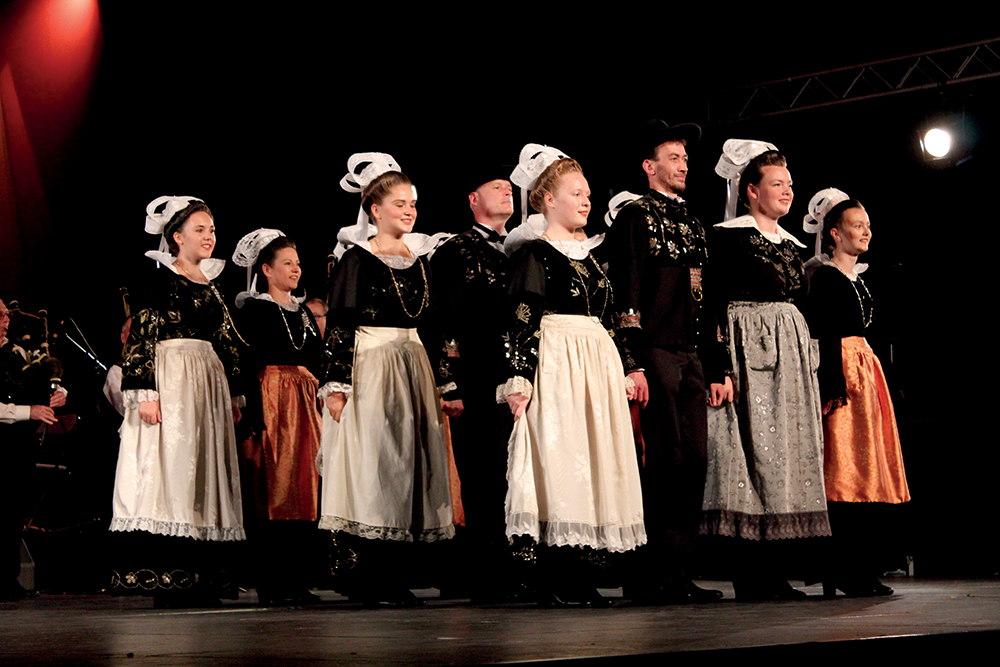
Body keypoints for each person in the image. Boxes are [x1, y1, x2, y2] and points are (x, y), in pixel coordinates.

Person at [498, 145, 646, 606]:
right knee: (561, 461)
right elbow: (521, 320)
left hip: (595, 363)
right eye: (575, 193)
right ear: (547, 200)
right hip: (558, 362)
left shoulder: (590, 256)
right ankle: (556, 573)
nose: (586, 201)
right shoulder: (534, 254)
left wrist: (626, 366)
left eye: (587, 194)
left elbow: (610, 317)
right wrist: (519, 378)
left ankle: (583, 569)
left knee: (593, 460)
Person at [318, 153, 461, 607]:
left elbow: (435, 327)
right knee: (373, 463)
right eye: (399, 203)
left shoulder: (419, 261)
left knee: (408, 465)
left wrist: (446, 385)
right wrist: (336, 384)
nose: (409, 210)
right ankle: (367, 575)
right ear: (375, 210)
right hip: (372, 365)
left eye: (413, 203)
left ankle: (397, 574)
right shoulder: (356, 259)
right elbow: (340, 322)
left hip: (412, 364)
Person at [604, 120, 729, 604]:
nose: (683, 166)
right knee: (663, 459)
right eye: (673, 158)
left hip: (691, 354)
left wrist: (716, 367)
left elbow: (709, 298)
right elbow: (628, 288)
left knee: (695, 460)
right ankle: (650, 572)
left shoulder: (693, 222)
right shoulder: (635, 217)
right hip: (655, 350)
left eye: (685, 159)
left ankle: (678, 570)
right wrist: (633, 360)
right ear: (649, 166)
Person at [702, 143, 830, 600]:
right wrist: (719, 366)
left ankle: (778, 568)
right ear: (751, 191)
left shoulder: (792, 245)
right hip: (750, 351)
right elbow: (712, 305)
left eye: (790, 184)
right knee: (752, 456)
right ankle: (752, 572)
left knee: (787, 459)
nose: (787, 191)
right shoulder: (729, 238)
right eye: (777, 184)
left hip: (790, 356)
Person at [109, 196, 245, 607]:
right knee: (171, 470)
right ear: (176, 237)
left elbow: (227, 341)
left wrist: (234, 394)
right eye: (199, 229)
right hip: (172, 382)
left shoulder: (212, 283)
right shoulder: (160, 281)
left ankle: (204, 576)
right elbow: (142, 337)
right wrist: (145, 393)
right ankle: (170, 577)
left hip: (206, 385)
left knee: (203, 471)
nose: (209, 236)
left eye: (212, 229)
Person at [800, 189, 909, 597]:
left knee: (866, 468)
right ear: (835, 233)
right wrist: (832, 384)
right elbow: (826, 334)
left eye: (868, 226)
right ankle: (843, 568)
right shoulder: (825, 277)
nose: (865, 232)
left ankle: (860, 565)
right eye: (857, 226)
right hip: (843, 372)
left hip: (866, 372)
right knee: (843, 470)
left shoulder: (858, 281)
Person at [430, 167, 518, 600]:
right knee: (482, 474)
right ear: (473, 199)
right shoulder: (455, 250)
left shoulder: (522, 248)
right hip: (477, 377)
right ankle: (484, 573)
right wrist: (449, 383)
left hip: (517, 377)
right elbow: (444, 318)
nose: (506, 192)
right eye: (496, 187)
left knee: (513, 473)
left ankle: (514, 566)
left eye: (510, 187)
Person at [232, 229, 325, 605]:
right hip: (272, 401)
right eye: (287, 263)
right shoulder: (254, 310)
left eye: (298, 263)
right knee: (274, 487)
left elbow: (317, 357)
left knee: (305, 487)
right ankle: (272, 583)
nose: (296, 269)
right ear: (267, 270)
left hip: (305, 402)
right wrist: (251, 412)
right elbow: (244, 361)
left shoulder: (302, 312)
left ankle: (298, 579)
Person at [1, 298, 66, 600]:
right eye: (0, 315)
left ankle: (7, 576)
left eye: (6, 314)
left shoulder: (16, 351)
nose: (6, 319)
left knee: (14, 509)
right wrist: (30, 411)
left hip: (17, 442)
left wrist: (58, 393)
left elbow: (38, 378)